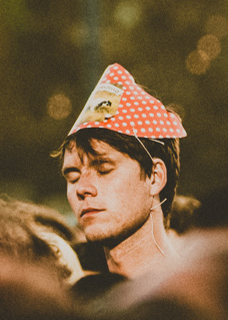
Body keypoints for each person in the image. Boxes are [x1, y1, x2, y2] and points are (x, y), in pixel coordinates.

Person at [57, 64, 186, 281]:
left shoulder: (200, 299)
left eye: (103, 169)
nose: (82, 188)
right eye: (73, 176)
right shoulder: (74, 301)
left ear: (155, 177)